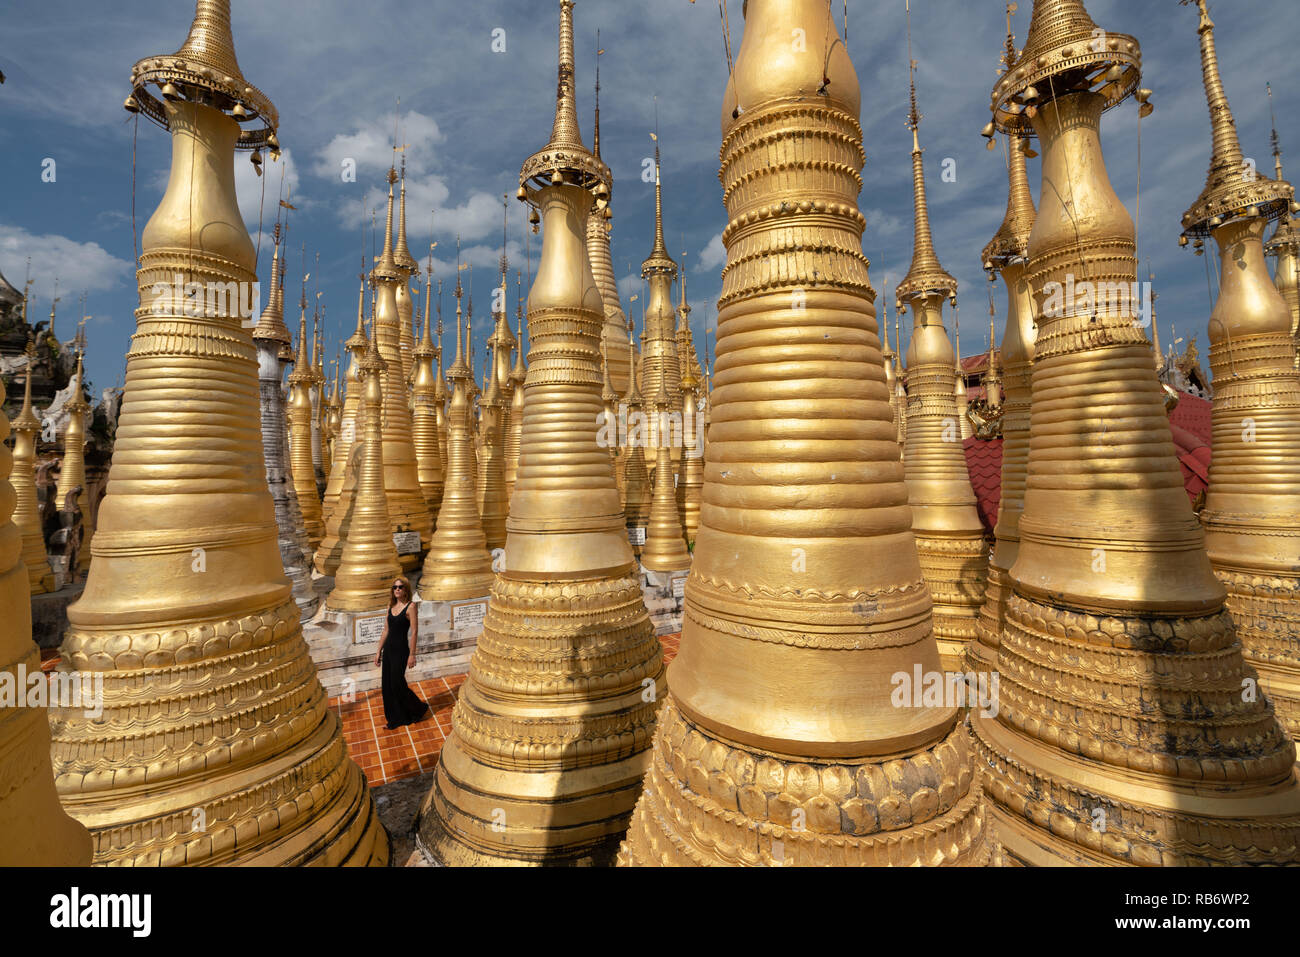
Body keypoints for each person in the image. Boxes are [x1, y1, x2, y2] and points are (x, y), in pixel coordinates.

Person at [374, 577, 429, 730]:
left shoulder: (411, 607)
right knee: (387, 686)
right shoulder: (390, 606)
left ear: (406, 590)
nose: (397, 589)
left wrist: (412, 654)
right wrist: (378, 650)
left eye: (400, 587)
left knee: (397, 684)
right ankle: (395, 719)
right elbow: (386, 630)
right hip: (389, 650)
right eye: (394, 587)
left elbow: (414, 631)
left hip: (401, 650)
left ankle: (418, 708)